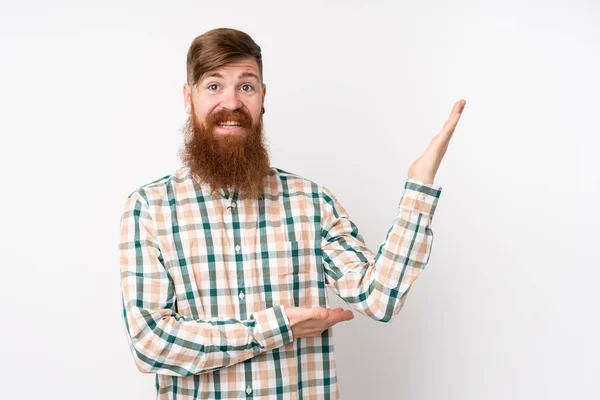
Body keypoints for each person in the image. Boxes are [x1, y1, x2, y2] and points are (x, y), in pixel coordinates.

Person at [118, 27, 466, 400]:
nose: (232, 103)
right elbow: (151, 343)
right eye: (214, 86)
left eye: (246, 87)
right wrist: (278, 327)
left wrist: (420, 185)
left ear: (263, 96)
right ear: (189, 97)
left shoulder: (310, 203)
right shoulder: (149, 209)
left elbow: (380, 297)